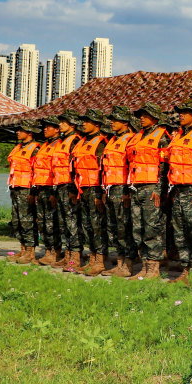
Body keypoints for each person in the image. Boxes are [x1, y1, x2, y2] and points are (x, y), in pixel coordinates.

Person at [165, 100, 192, 285]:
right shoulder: (179, 136)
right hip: (179, 189)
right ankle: (186, 268)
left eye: (185, 112)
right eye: (180, 112)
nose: (181, 115)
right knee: (180, 231)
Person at [127, 103, 172, 280]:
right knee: (138, 229)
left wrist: (159, 189)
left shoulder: (161, 136)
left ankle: (153, 268)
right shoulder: (138, 136)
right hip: (137, 187)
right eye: (140, 115)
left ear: (154, 117)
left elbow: (165, 165)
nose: (141, 118)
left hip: (152, 188)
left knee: (152, 228)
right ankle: (145, 267)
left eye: (145, 115)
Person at [101, 106, 138, 277]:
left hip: (122, 188)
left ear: (124, 122)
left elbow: (132, 166)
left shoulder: (131, 140)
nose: (111, 123)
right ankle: (120, 261)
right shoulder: (113, 140)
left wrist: (127, 191)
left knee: (124, 228)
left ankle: (128, 264)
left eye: (115, 120)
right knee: (114, 228)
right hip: (110, 187)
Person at [74, 110, 108, 276]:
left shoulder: (100, 143)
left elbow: (103, 169)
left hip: (95, 188)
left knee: (97, 226)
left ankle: (100, 261)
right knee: (88, 226)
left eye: (88, 121)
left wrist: (101, 192)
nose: (83, 124)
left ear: (97, 124)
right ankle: (92, 258)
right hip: (83, 188)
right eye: (83, 121)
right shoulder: (82, 142)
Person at [50, 110, 83, 272]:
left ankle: (75, 257)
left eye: (63, 122)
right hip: (60, 185)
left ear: (72, 125)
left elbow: (75, 167)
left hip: (70, 186)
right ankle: (68, 254)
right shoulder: (63, 141)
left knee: (72, 221)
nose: (60, 125)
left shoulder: (75, 140)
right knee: (64, 222)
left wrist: (73, 188)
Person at [7, 120, 41, 264]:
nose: (17, 132)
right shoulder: (18, 148)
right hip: (16, 189)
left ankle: (30, 252)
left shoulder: (35, 149)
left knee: (28, 221)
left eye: (21, 130)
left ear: (29, 133)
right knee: (17, 221)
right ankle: (22, 249)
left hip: (27, 190)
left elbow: (38, 170)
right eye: (17, 130)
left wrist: (34, 192)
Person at [34, 117, 62, 266]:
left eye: (48, 127)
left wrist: (54, 192)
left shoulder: (59, 145)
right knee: (43, 222)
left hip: (52, 188)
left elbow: (57, 168)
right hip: (42, 187)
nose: (45, 129)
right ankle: (48, 250)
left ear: (57, 129)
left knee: (52, 223)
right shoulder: (45, 145)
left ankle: (55, 251)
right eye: (44, 127)